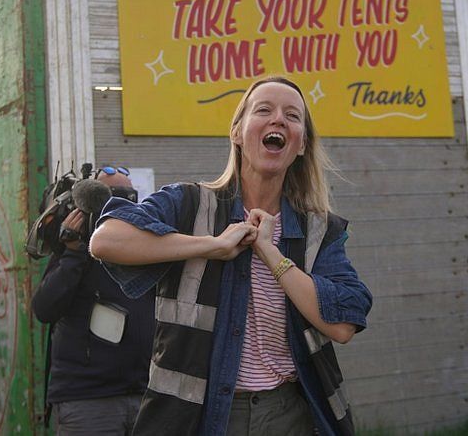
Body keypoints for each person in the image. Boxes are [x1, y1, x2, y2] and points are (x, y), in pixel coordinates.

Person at [91, 77, 373, 436]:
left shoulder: (320, 231)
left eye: (292, 115)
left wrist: (269, 251)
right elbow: (106, 240)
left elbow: (342, 325)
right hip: (196, 416)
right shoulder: (188, 203)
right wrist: (213, 246)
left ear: (301, 144)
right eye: (264, 110)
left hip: (290, 415)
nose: (278, 120)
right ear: (237, 132)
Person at [32, 166, 155, 435]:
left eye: (129, 197)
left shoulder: (146, 248)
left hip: (144, 395)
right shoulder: (75, 253)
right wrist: (74, 253)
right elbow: (44, 308)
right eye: (112, 198)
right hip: (88, 400)